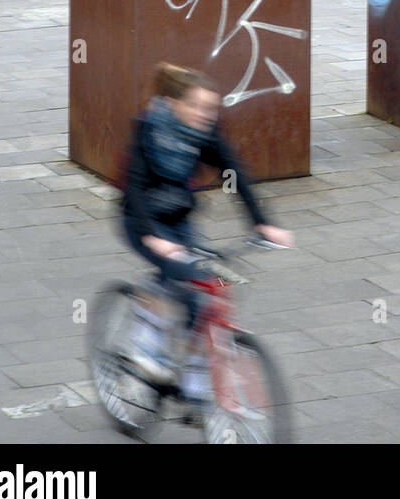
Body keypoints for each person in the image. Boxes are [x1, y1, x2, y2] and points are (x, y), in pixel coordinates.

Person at [120, 62, 293, 394]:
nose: (206, 114)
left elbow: (235, 173)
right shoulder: (147, 129)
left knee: (203, 295)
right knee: (175, 273)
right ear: (174, 105)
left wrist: (263, 222)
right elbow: (135, 187)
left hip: (178, 219)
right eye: (197, 106)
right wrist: (151, 237)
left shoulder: (205, 134)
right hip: (140, 220)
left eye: (211, 108)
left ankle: (194, 383)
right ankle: (144, 344)